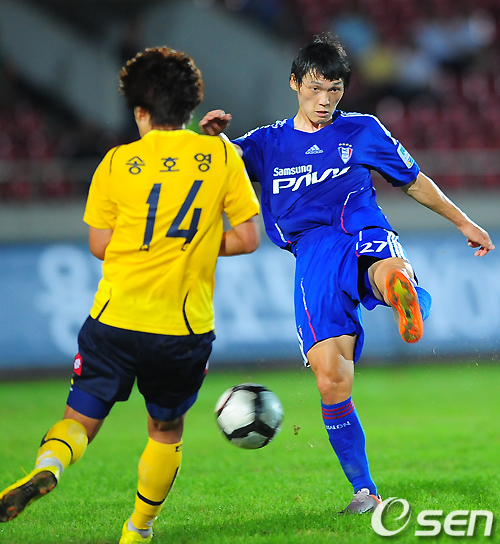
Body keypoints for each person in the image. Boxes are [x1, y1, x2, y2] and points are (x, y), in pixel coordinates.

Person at [200, 33, 494, 514]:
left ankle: (402, 290)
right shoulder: (267, 143)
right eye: (315, 88)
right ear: (294, 83)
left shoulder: (362, 130)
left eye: (334, 90)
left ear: (344, 90)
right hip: (311, 253)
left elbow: (413, 180)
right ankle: (365, 490)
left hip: (357, 229)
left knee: (379, 269)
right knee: (330, 380)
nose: (324, 100)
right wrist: (212, 141)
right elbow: (221, 165)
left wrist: (463, 222)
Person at [0, 46, 260, 542]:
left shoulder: (117, 162)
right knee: (165, 430)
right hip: (181, 328)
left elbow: (100, 245)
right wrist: (193, 243)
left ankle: (49, 467)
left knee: (79, 419)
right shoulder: (222, 155)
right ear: (191, 106)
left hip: (113, 319)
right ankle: (138, 529)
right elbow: (248, 238)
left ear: (140, 110)